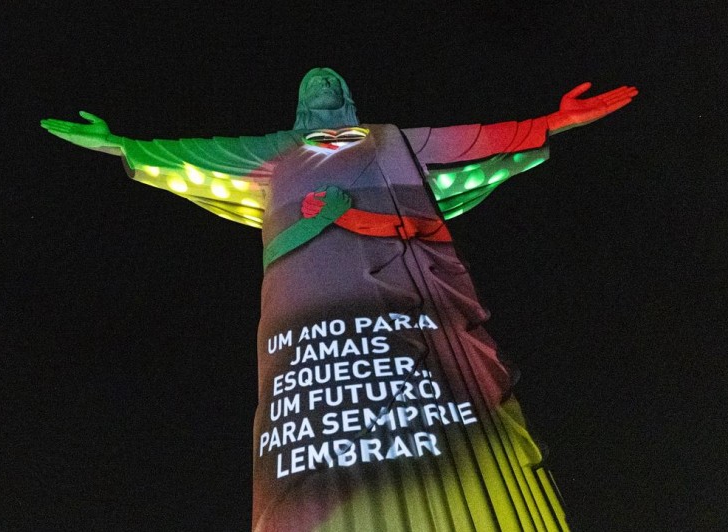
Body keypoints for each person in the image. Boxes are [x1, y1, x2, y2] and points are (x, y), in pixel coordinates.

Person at [42, 68, 636, 531]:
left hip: (413, 290)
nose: (324, 83)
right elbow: (197, 155)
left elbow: (474, 141)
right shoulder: (274, 149)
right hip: (308, 293)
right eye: (313, 82)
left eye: (333, 80)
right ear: (302, 102)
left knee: (458, 401)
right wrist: (119, 144)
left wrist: (553, 122)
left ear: (347, 95)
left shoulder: (393, 139)